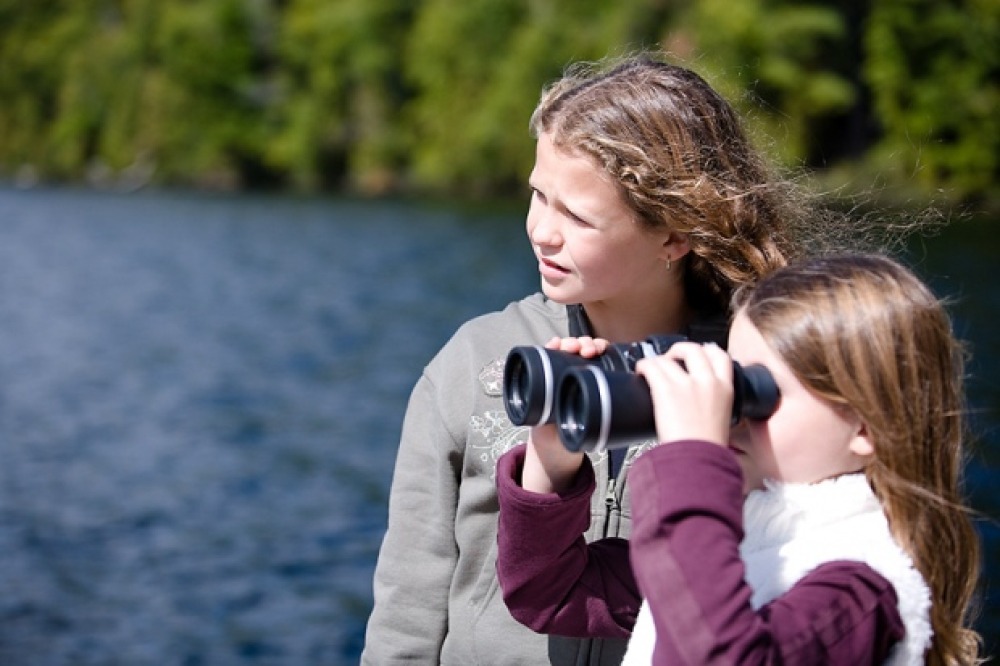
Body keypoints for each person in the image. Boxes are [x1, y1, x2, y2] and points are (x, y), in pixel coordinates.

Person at [361, 51, 817, 664]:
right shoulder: (476, 361)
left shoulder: (749, 377)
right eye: (538, 195)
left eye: (576, 216)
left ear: (675, 235)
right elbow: (407, 603)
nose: (543, 230)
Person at [496, 254, 982, 664]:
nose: (730, 411)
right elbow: (552, 593)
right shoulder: (741, 534)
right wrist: (552, 454)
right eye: (731, 378)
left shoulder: (864, 592)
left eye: (757, 393)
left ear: (866, 427)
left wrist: (692, 461)